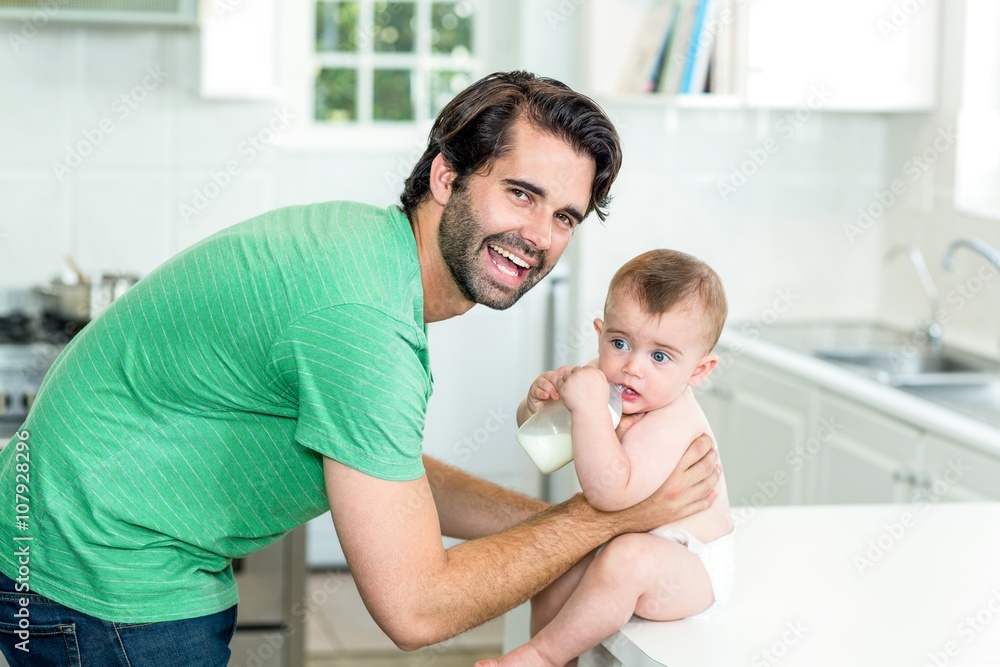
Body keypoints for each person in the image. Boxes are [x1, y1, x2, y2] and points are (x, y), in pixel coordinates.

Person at [0, 72, 721, 666]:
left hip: (68, 552)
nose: (538, 235)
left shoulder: (369, 253)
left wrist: (556, 527)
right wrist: (605, 517)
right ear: (447, 176)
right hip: (101, 582)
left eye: (566, 216)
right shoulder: (363, 318)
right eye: (520, 193)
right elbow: (414, 607)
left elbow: (387, 474)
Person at [486, 249, 734, 667]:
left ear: (698, 371)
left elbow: (608, 494)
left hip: (690, 564)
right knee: (555, 569)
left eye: (660, 356)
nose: (632, 367)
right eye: (620, 343)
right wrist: (538, 404)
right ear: (600, 333)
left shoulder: (673, 420)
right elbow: (547, 437)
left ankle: (543, 656)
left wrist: (587, 410)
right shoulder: (604, 377)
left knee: (628, 560)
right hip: (620, 537)